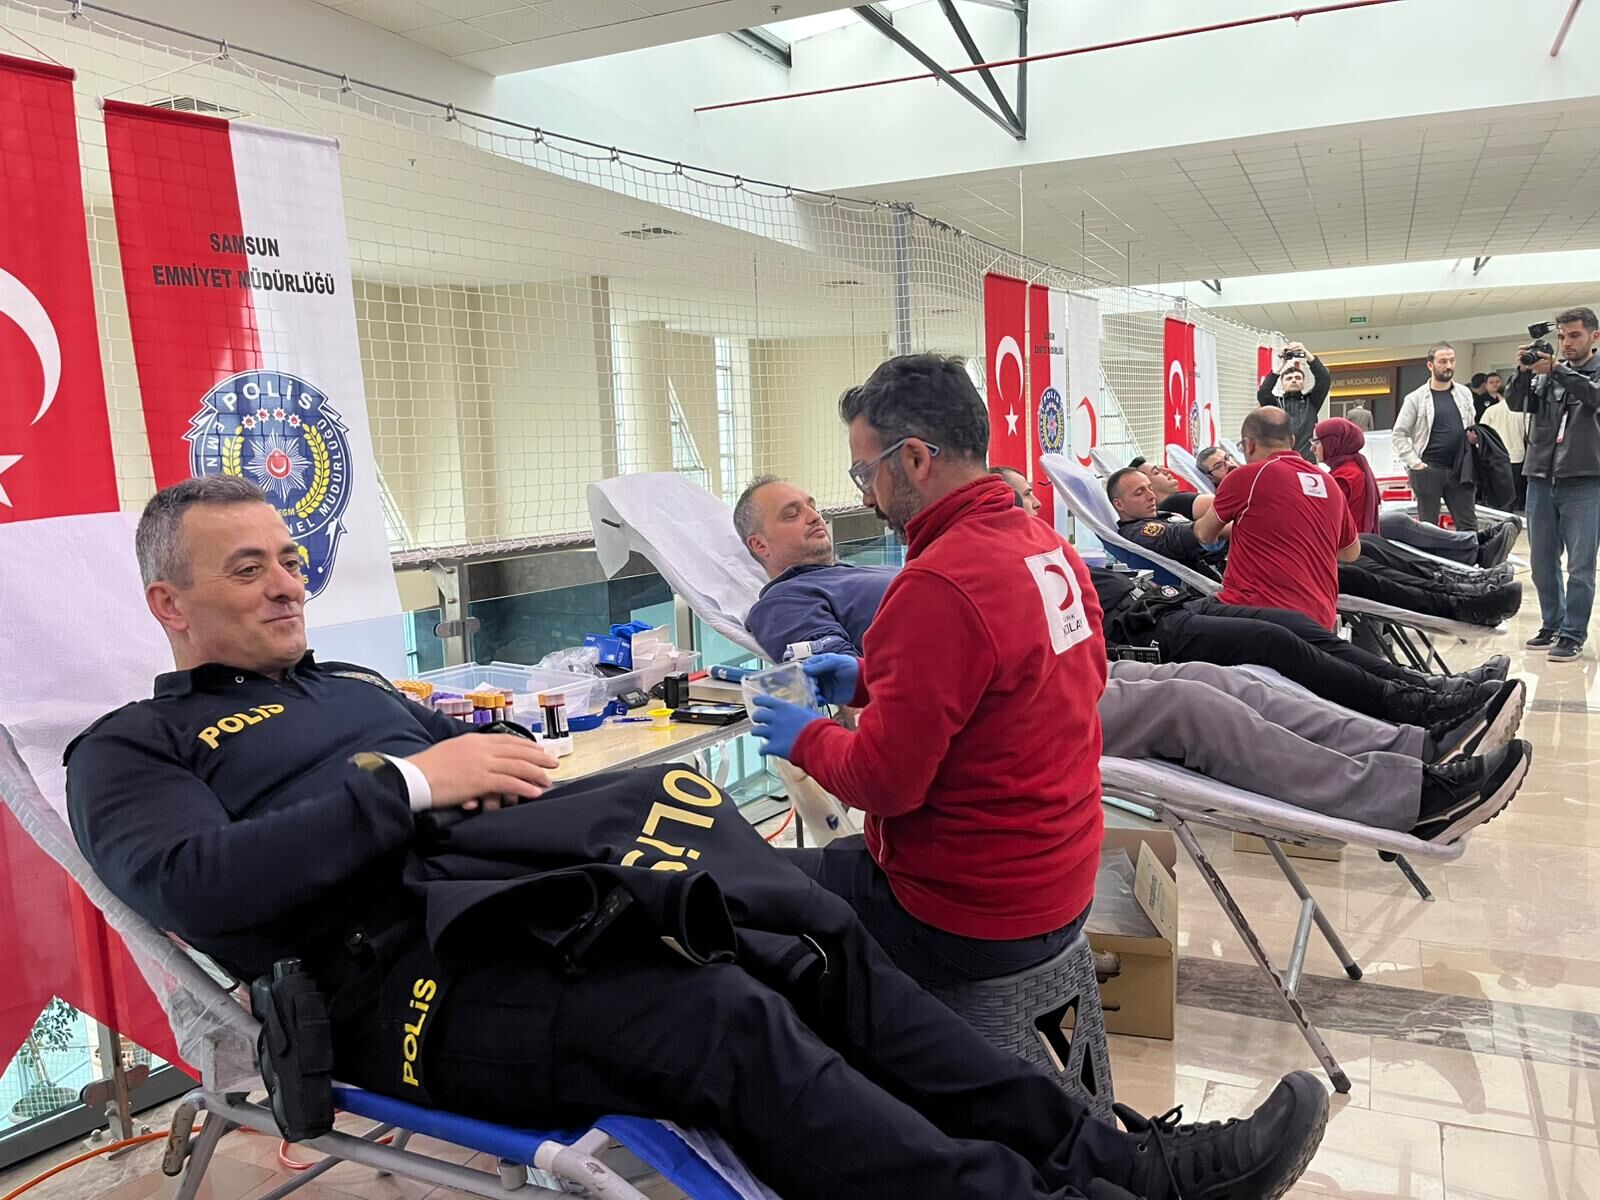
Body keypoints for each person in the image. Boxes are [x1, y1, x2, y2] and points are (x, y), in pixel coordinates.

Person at [65, 476, 1331, 1200]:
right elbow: (192, 884)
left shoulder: (349, 686)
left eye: (289, 558)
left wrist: (473, 775)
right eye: (247, 569)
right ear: (169, 602)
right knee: (722, 1019)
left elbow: (460, 764)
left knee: (807, 936)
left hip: (522, 907)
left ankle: (1117, 1158)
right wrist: (409, 785)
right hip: (401, 987)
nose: (287, 582)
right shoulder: (131, 749)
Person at [741, 476, 1529, 845]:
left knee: (1218, 679)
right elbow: (831, 678)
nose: (815, 516)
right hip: (1004, 709)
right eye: (792, 513)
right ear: (757, 544)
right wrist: (853, 681)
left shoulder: (859, 572)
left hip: (1048, 665)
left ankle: (1417, 744)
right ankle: (1408, 800)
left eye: (811, 504)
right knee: (1196, 704)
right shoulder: (784, 602)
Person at [743, 354, 1110, 993]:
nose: (865, 496)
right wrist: (868, 679)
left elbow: (882, 785)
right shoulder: (1047, 546)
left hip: (965, 917)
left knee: (735, 885)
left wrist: (804, 738)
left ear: (913, 458)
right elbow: (1060, 679)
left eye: (866, 472)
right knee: (834, 861)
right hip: (1065, 878)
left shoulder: (938, 584)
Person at [1111, 460, 1521, 628]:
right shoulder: (1141, 530)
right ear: (1119, 505)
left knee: (1367, 545)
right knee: (1359, 575)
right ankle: (1455, 602)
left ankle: (1459, 581)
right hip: (1246, 574)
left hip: (1265, 556)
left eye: (1150, 484)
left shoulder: (1170, 510)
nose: (1149, 493)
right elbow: (1200, 535)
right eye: (1140, 489)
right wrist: (1265, 523)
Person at [1193, 407, 1359, 631]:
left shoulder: (1247, 477)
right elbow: (1351, 552)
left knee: (1174, 620)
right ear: (1292, 440)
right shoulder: (1328, 482)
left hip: (1259, 616)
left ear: (1248, 445)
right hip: (1319, 620)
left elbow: (1204, 533)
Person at [1509, 307, 1600, 662]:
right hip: (1540, 476)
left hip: (1584, 478)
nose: (1566, 342)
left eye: (1574, 335)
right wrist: (1522, 372)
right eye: (1562, 336)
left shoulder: (1584, 373)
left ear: (1594, 336)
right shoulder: (1545, 374)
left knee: (1580, 565)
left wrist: (1558, 369)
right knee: (1542, 561)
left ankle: (1573, 633)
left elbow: (1594, 397)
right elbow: (1516, 404)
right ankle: (1552, 623)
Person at [1393, 342, 1480, 531]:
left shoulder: (1464, 394)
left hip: (1460, 468)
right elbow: (1399, 434)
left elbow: (1471, 423)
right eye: (1442, 361)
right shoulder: (1415, 398)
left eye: (1451, 361)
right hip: (1428, 469)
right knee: (1428, 526)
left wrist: (1474, 439)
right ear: (1430, 365)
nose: (1448, 366)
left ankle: (1471, 552)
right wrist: (1415, 463)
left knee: (1468, 524)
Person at [1257, 341, 1331, 460]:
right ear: (1282, 384)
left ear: (1303, 383)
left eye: (1298, 378)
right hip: (1282, 460)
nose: (1294, 380)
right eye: (1289, 378)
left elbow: (1324, 379)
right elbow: (1263, 393)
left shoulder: (1312, 401)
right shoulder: (1276, 404)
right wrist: (1281, 365)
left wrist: (1306, 353)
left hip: (1307, 460)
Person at [1479, 372, 1527, 513]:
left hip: (1496, 457)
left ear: (1499, 396)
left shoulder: (1491, 411)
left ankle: (1499, 515)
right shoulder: (1522, 412)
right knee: (1514, 492)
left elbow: (1481, 433)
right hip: (1517, 457)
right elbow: (1529, 433)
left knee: (1497, 493)